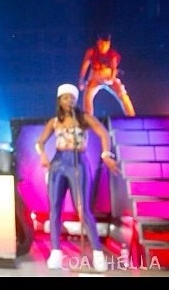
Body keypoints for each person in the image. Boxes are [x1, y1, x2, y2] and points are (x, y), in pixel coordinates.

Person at [34, 83, 120, 272]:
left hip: (78, 164)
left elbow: (103, 133)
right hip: (58, 165)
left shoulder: (84, 119)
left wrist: (106, 154)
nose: (69, 101)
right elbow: (39, 142)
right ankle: (56, 252)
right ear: (60, 101)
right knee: (55, 209)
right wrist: (42, 154)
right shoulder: (54, 121)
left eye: (72, 98)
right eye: (66, 98)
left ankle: (97, 253)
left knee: (84, 209)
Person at [78, 33, 136, 116]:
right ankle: (88, 117)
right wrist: (81, 80)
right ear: (98, 43)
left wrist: (111, 79)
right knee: (87, 96)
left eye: (106, 44)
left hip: (108, 75)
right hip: (95, 76)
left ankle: (131, 116)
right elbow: (85, 66)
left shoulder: (112, 54)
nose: (103, 47)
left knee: (122, 94)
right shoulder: (91, 52)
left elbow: (114, 68)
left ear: (109, 44)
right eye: (101, 44)